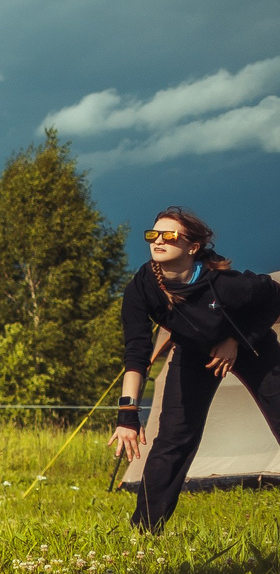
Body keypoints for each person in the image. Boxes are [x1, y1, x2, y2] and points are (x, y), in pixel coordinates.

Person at [112, 208, 280, 531]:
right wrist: (127, 414)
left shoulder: (226, 284)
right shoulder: (141, 289)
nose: (158, 240)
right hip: (194, 352)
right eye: (153, 235)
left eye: (169, 235)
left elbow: (274, 298)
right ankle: (144, 532)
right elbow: (136, 353)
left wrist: (235, 341)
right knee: (174, 439)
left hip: (251, 344)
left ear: (193, 247)